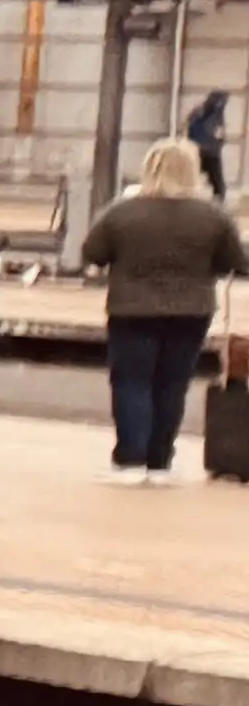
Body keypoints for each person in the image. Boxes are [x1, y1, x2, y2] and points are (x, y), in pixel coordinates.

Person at [79, 134, 244, 484]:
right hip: (192, 311)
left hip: (131, 309)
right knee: (172, 384)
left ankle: (130, 461)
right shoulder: (212, 215)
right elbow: (237, 261)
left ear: (149, 168)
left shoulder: (123, 211)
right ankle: (159, 463)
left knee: (132, 383)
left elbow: (93, 252)